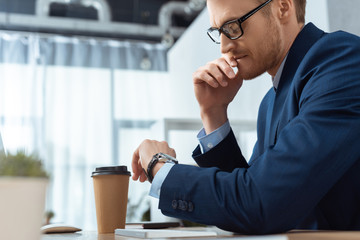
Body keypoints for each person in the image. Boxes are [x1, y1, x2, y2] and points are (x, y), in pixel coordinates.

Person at [132, 0, 360, 234]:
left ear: (282, 7)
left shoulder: (342, 60)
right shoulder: (270, 103)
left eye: (233, 26)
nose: (223, 47)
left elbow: (259, 204)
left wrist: (159, 168)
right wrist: (214, 114)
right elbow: (244, 205)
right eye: (218, 31)